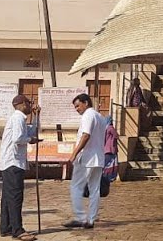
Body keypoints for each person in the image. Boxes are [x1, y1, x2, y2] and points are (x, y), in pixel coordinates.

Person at [0, 94, 41, 241]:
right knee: (15, 196)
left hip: (10, 162)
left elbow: (32, 131)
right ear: (22, 104)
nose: (30, 106)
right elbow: (18, 139)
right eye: (29, 103)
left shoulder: (20, 119)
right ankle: (17, 230)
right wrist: (30, 140)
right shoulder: (18, 118)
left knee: (8, 197)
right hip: (13, 162)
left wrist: (36, 117)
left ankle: (6, 227)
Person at [64, 93, 106, 230]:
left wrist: (73, 155)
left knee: (76, 187)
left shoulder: (88, 115)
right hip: (98, 158)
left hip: (87, 157)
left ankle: (80, 218)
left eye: (78, 106)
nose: (77, 109)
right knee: (95, 189)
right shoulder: (100, 117)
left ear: (86, 103)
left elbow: (86, 135)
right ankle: (90, 219)